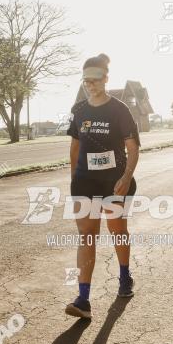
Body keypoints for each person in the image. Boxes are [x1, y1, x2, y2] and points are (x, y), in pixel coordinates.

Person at [65, 54, 140, 320]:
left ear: (106, 79)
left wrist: (126, 176)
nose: (90, 85)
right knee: (87, 236)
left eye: (95, 80)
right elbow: (75, 147)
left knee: (117, 230)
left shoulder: (119, 110)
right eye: (86, 80)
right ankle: (83, 299)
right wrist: (74, 179)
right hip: (85, 182)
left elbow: (133, 147)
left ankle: (124, 276)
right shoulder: (80, 110)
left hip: (114, 182)